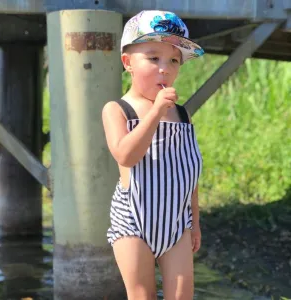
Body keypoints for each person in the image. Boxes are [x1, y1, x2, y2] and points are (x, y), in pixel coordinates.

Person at [102, 10, 204, 300]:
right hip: (133, 220)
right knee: (142, 296)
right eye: (153, 58)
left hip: (176, 221)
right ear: (128, 63)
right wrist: (156, 112)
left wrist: (195, 221)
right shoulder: (118, 110)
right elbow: (126, 156)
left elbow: (189, 170)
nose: (165, 69)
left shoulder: (181, 115)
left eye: (174, 61)